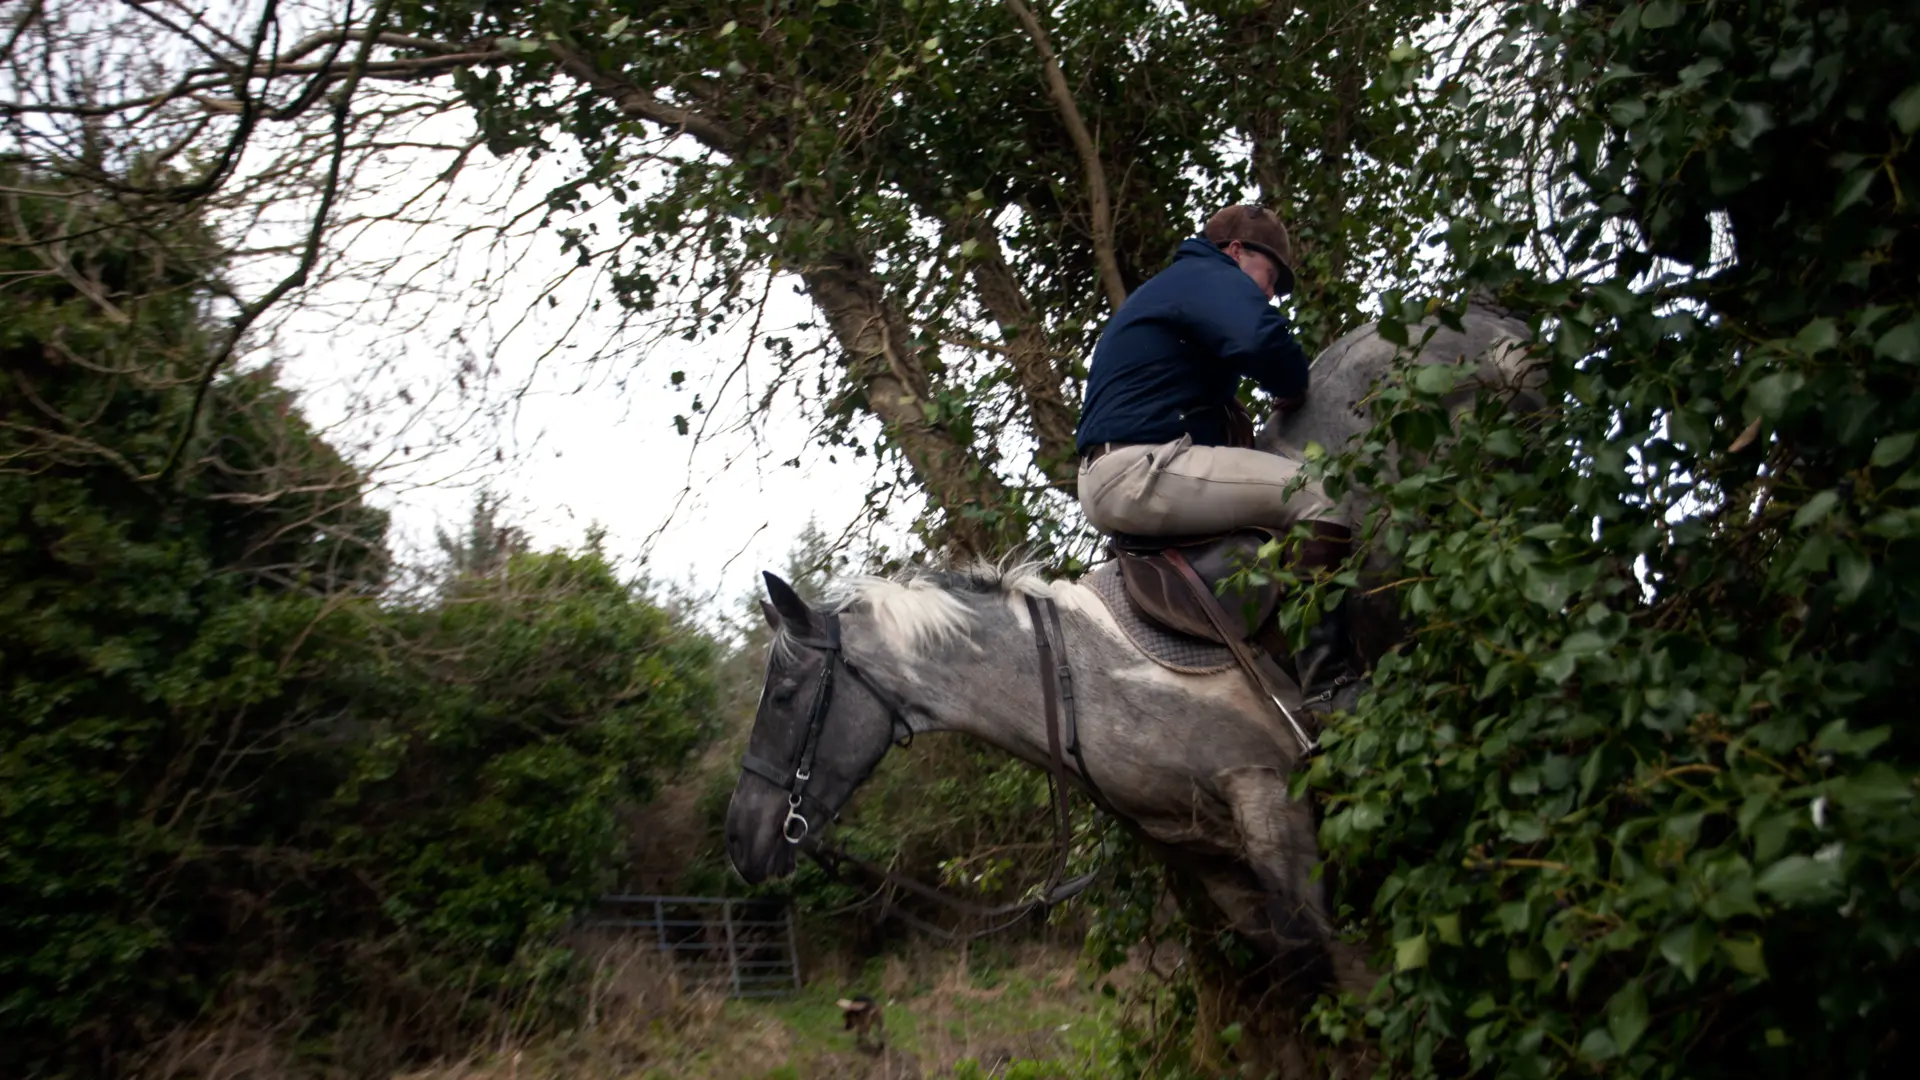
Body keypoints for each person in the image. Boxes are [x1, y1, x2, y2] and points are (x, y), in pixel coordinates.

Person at [1075, 204, 1356, 699]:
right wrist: (1291, 382)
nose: (1270, 294)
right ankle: (1330, 686)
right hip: (1142, 469)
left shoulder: (1174, 290)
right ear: (1236, 251)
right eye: (1270, 277)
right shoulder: (1206, 273)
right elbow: (1261, 341)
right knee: (1319, 493)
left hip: (1116, 470)